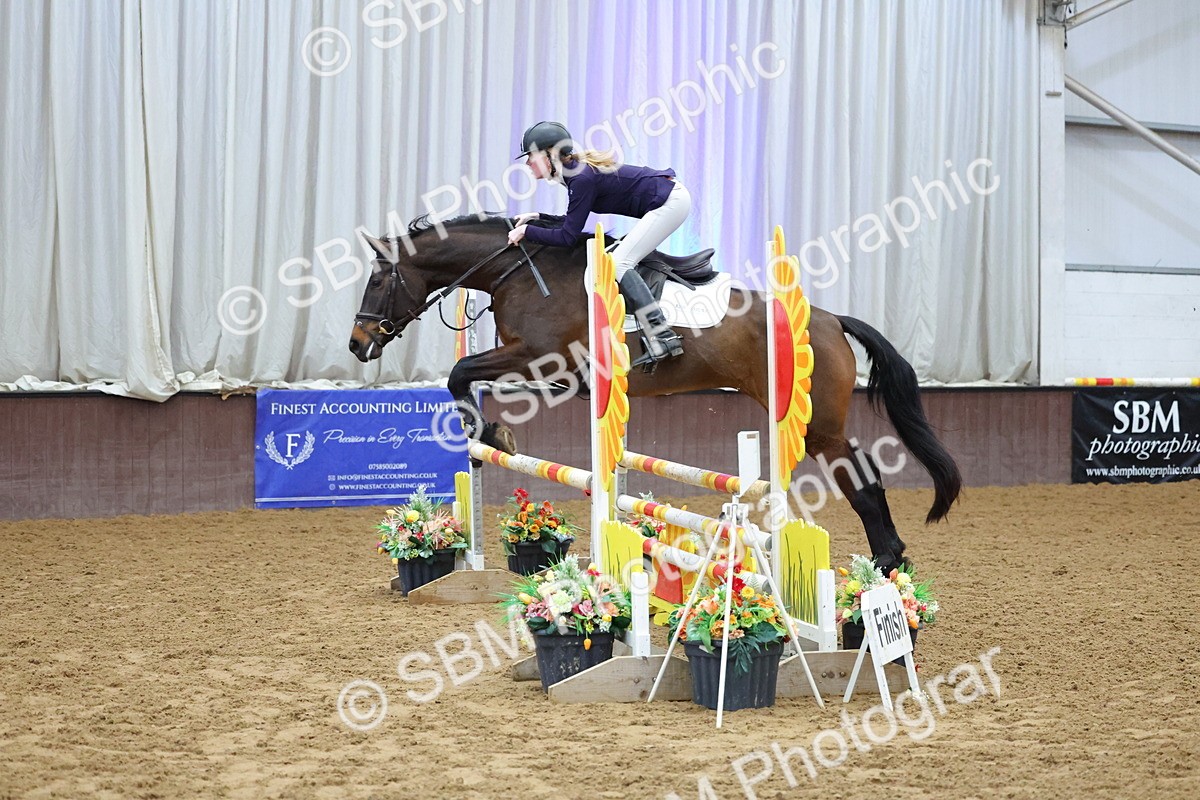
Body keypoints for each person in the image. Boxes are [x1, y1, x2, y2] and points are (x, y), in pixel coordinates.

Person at [508, 121, 687, 364]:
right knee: (618, 259)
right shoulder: (573, 174)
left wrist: (527, 231)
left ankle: (663, 335)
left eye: (531, 156)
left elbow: (567, 237)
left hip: (670, 203)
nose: (528, 163)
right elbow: (572, 223)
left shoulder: (580, 178)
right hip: (667, 200)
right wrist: (538, 218)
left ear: (550, 154)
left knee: (619, 263)